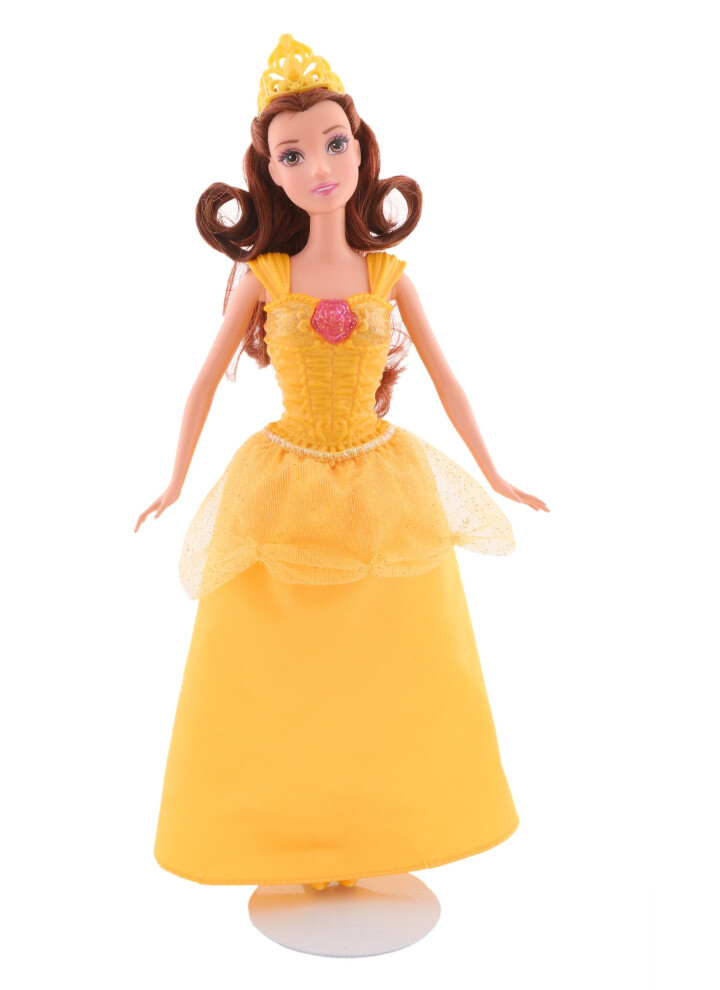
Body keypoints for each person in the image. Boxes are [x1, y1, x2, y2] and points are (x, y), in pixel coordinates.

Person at [136, 34, 549, 889]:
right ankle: (294, 832)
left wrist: (495, 473)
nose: (320, 167)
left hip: (380, 481)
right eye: (294, 154)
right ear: (271, 171)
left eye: (334, 144)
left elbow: (449, 380)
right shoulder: (266, 274)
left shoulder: (388, 273)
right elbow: (204, 381)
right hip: (283, 481)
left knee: (392, 657)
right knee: (279, 661)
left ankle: (374, 828)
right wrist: (174, 481)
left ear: (361, 150)